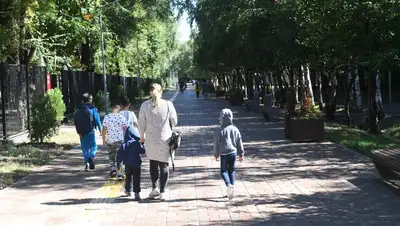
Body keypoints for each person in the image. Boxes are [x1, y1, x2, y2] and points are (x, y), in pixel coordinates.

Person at [138, 83, 178, 201]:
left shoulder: (144, 105)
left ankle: (154, 188)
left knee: (153, 163)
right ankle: (162, 192)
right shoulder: (168, 104)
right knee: (164, 165)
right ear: (161, 92)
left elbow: (141, 124)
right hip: (165, 139)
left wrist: (142, 137)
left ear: (149, 92)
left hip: (150, 140)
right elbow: (174, 121)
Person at [214, 108, 244, 200]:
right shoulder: (235, 129)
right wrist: (241, 153)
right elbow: (239, 141)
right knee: (231, 171)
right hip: (233, 153)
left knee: (223, 171)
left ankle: (229, 185)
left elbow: (216, 144)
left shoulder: (219, 131)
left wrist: (216, 154)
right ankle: (231, 190)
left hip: (224, 154)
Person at [75, 93, 102, 171]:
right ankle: (91, 157)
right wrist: (101, 131)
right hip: (91, 131)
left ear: (82, 100)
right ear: (90, 100)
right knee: (93, 146)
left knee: (84, 148)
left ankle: (86, 164)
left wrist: (78, 131)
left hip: (81, 132)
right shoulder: (93, 109)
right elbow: (97, 120)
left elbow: (76, 122)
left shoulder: (79, 109)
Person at [116, 127, 145, 201]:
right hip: (137, 165)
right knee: (136, 179)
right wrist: (142, 144)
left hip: (127, 164)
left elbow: (119, 154)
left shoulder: (124, 144)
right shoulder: (136, 143)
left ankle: (128, 190)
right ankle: (137, 193)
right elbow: (142, 151)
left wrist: (118, 163)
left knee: (128, 178)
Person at [101, 102, 128, 178]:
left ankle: (113, 169)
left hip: (110, 139)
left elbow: (104, 129)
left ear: (111, 108)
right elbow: (125, 128)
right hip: (119, 139)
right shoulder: (121, 117)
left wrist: (103, 139)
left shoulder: (107, 117)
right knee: (120, 156)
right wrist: (125, 137)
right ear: (118, 108)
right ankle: (120, 173)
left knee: (111, 155)